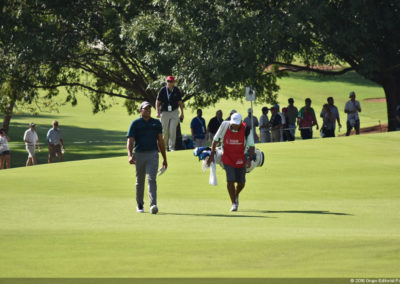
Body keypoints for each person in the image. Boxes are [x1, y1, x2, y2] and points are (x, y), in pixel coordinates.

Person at [207, 113, 255, 212]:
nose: (235, 125)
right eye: (233, 123)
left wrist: (250, 159)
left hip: (241, 157)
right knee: (230, 181)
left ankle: (236, 195)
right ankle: (233, 203)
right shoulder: (225, 125)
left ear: (241, 122)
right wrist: (212, 155)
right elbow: (215, 140)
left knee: (241, 183)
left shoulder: (246, 129)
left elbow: (251, 146)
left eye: (237, 124)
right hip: (227, 157)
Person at [127, 101, 167, 214]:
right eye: (145, 109)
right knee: (140, 181)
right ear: (140, 111)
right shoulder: (135, 124)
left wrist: (164, 158)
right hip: (139, 154)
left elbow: (161, 141)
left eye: (149, 108)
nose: (148, 110)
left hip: (153, 154)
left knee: (151, 179)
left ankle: (153, 204)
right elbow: (130, 141)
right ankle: (139, 204)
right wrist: (130, 155)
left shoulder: (156, 123)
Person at [156, 76, 184, 151]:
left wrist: (182, 113)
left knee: (172, 131)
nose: (169, 83)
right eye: (168, 81)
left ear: (173, 82)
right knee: (164, 132)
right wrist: (157, 112)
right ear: (166, 82)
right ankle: (162, 148)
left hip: (174, 112)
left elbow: (180, 102)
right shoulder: (162, 90)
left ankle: (172, 148)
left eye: (171, 81)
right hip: (165, 112)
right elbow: (158, 102)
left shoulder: (176, 90)